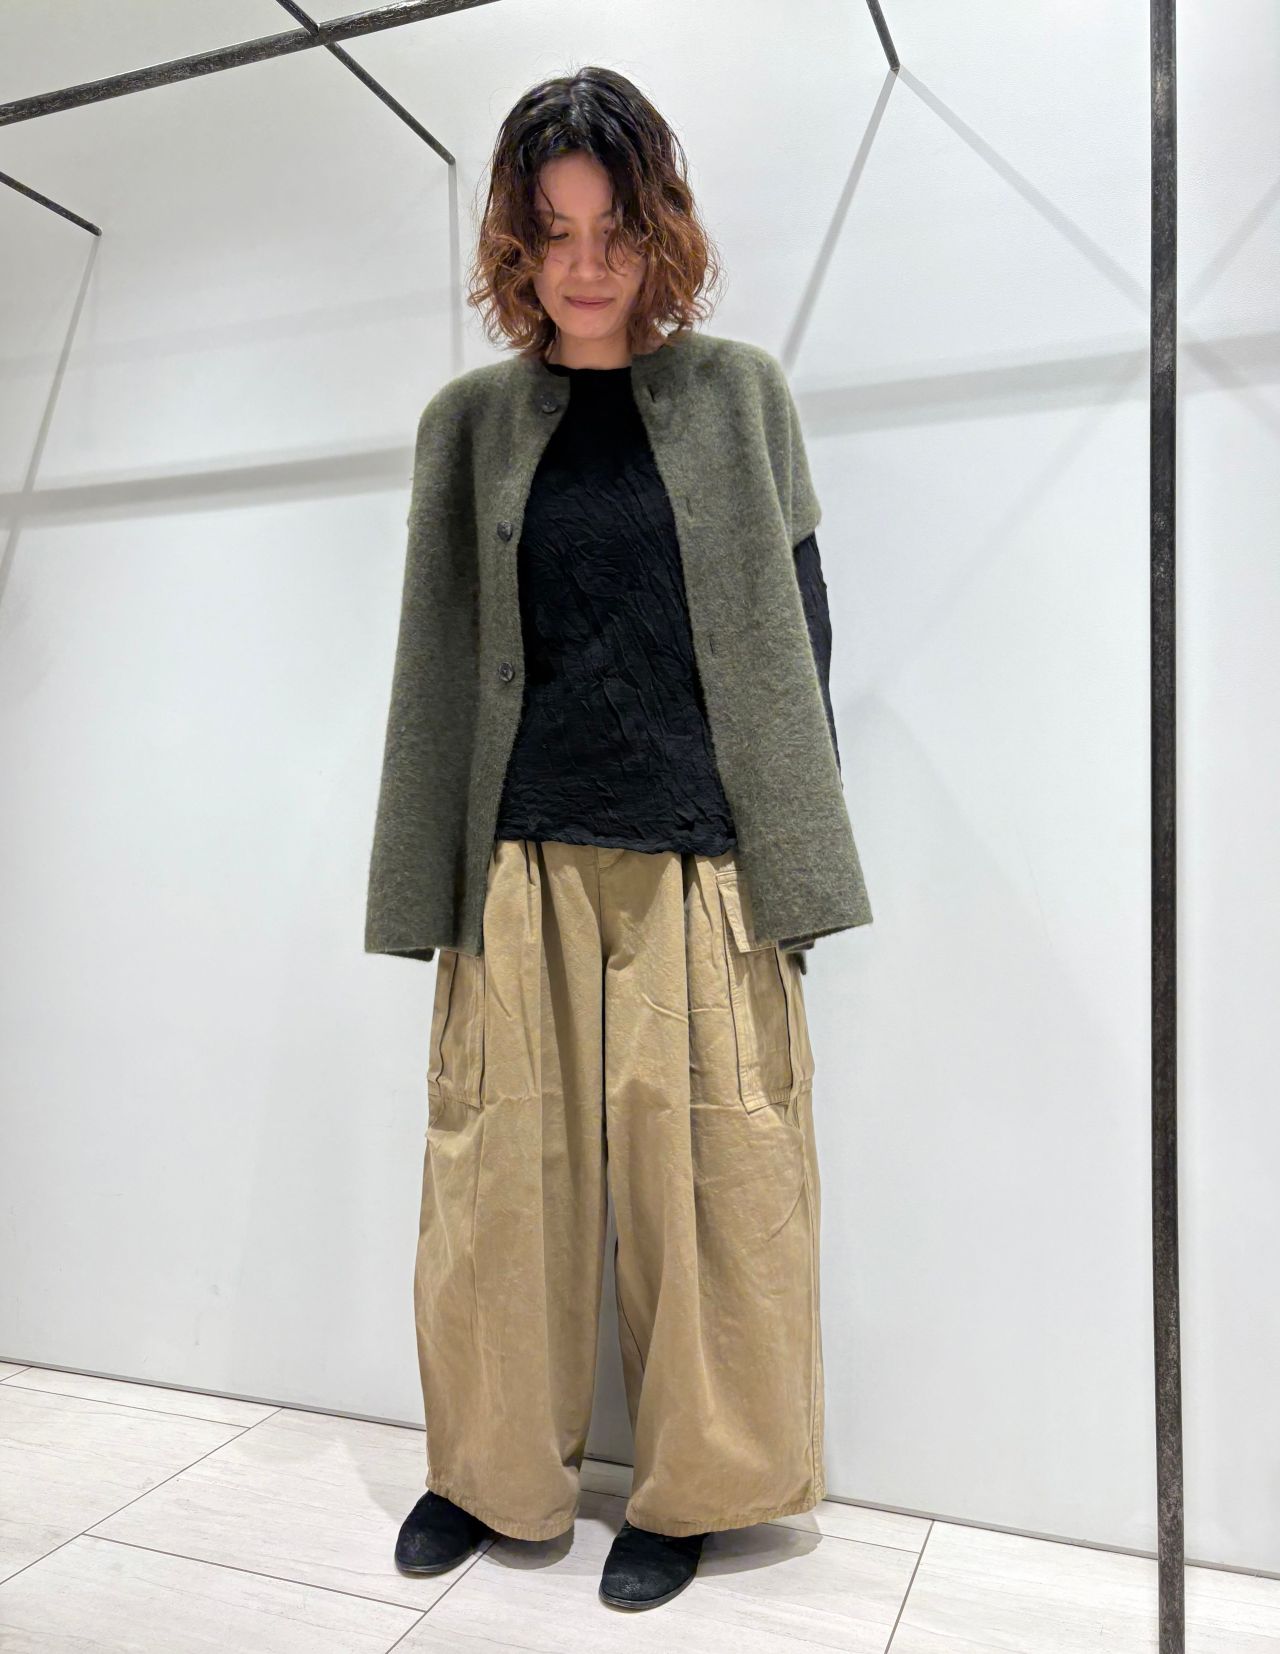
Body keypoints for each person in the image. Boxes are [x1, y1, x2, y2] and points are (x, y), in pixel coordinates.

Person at [368, 66, 873, 1612]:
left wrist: (788, 861)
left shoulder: (741, 397)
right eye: (554, 233)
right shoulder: (465, 426)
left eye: (615, 229)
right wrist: (424, 884)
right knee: (495, 1190)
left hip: (698, 854)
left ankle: (699, 1488)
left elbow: (799, 636)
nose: (586, 266)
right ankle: (486, 1473)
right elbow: (435, 665)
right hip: (516, 858)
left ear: (663, 230)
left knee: (715, 1188)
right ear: (514, 247)